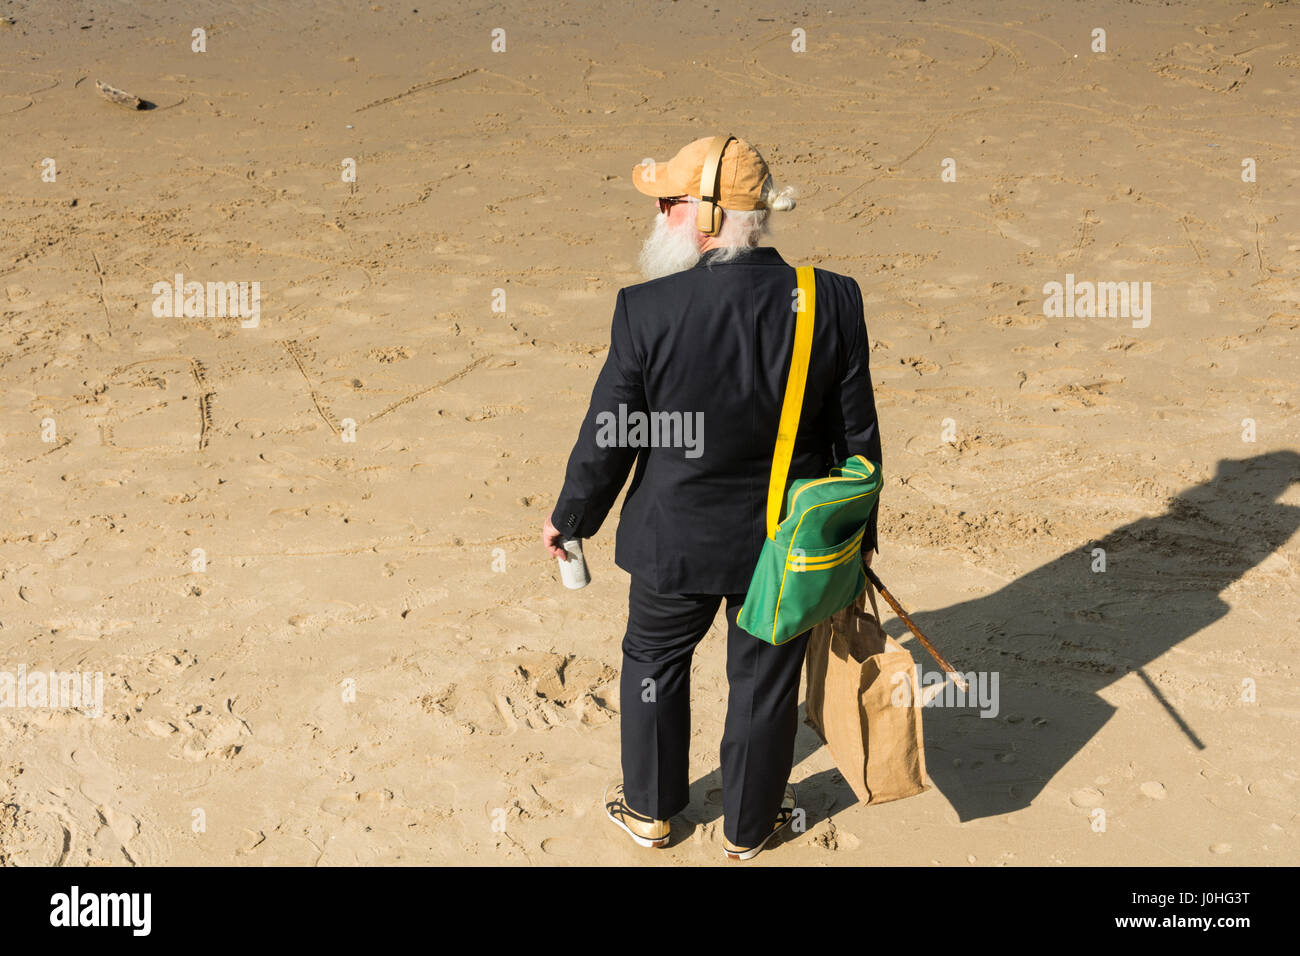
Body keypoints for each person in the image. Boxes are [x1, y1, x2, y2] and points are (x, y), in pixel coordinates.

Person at [541, 135, 882, 860]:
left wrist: (572, 518)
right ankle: (749, 830)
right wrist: (854, 543)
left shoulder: (648, 309)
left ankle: (653, 813)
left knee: (654, 664)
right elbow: (859, 443)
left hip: (674, 537)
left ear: (704, 214)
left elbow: (613, 432)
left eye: (668, 202)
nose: (658, 215)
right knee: (763, 680)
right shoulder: (831, 299)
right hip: (786, 542)